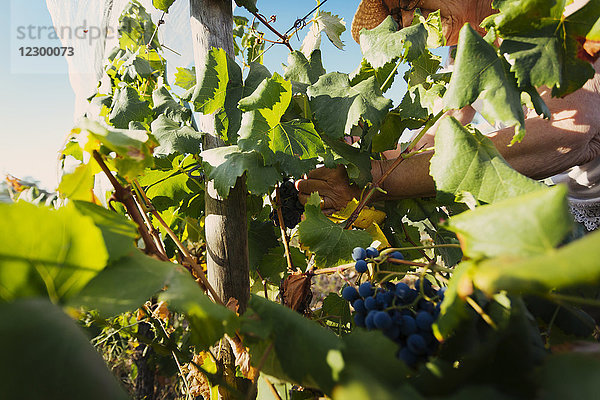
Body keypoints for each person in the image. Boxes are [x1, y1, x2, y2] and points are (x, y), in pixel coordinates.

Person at [296, 0, 600, 230]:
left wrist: (371, 183)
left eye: (409, 0)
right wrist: (357, 167)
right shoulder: (464, 53)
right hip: (565, 211)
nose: (409, 19)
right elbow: (436, 133)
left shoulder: (557, 9)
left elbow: (566, 133)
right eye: (398, 15)